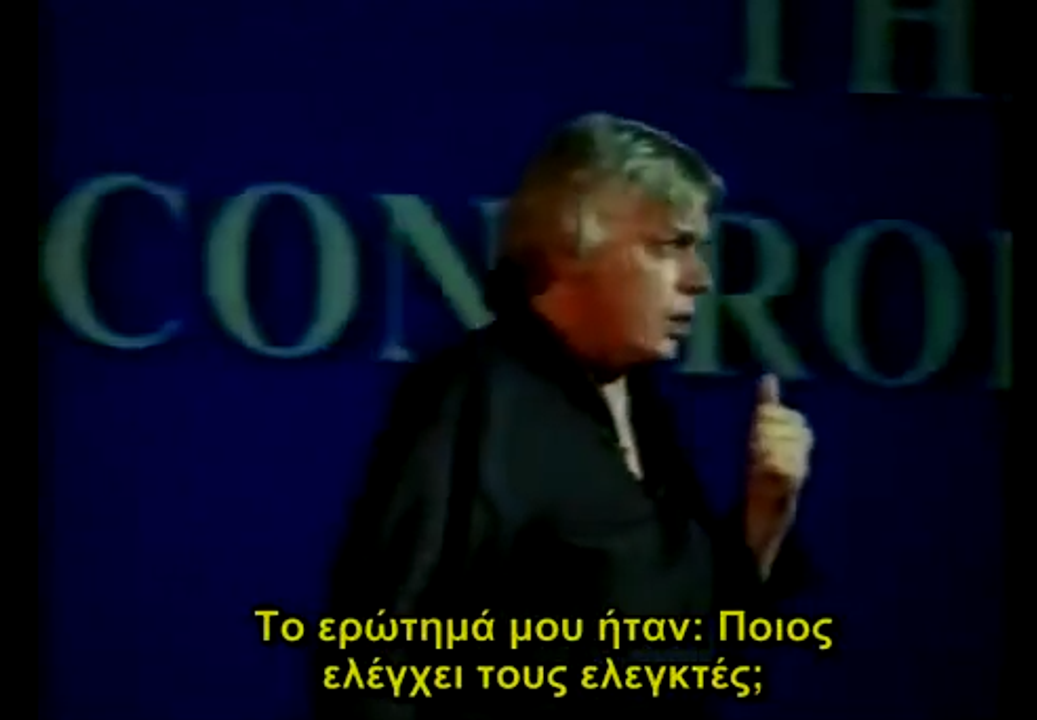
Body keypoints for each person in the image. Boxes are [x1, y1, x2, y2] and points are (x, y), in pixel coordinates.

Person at [318, 113, 815, 719]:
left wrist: (766, 514)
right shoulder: (471, 400)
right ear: (576, 243)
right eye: (670, 246)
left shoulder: (645, 414)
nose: (700, 279)